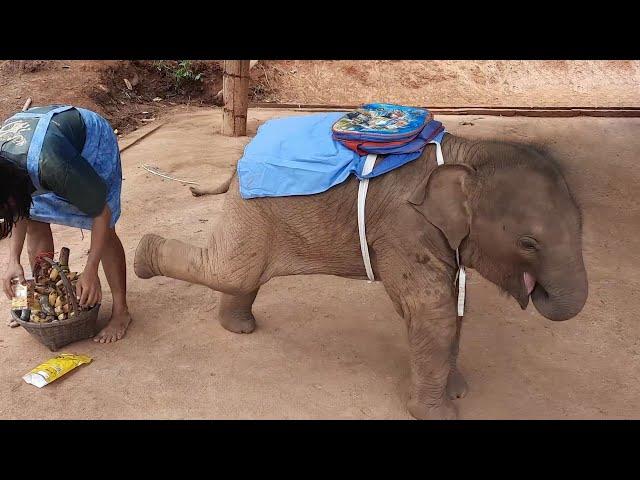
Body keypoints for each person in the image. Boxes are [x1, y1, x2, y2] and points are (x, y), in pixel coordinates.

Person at [0, 104, 131, 343]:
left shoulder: (54, 167)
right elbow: (19, 209)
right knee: (36, 222)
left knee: (104, 227)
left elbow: (101, 213)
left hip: (88, 143)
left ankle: (121, 312)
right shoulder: (8, 177)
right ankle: (36, 302)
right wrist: (13, 262)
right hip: (43, 145)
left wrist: (90, 270)